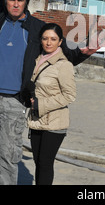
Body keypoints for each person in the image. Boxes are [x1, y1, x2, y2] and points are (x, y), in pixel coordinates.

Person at [0, 0, 97, 185]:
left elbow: (63, 54)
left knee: (8, 155)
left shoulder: (38, 29)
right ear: (5, 1)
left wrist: (83, 54)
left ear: (26, 3)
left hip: (16, 102)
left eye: (20, 0)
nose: (15, 4)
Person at [27, 23, 75, 185]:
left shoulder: (64, 65)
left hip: (55, 122)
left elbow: (70, 95)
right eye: (45, 38)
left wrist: (41, 104)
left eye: (53, 39)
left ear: (60, 42)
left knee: (45, 164)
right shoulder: (36, 60)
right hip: (35, 120)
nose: (49, 42)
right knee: (38, 163)